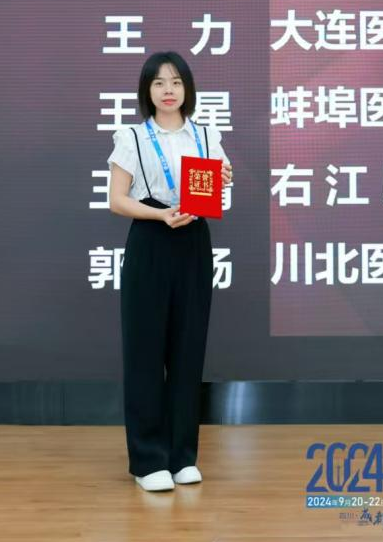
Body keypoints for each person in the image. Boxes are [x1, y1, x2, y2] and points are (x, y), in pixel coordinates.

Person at [107, 51, 233, 492]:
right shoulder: (133, 137)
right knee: (145, 350)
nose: (168, 90)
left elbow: (215, 184)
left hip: (193, 241)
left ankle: (182, 456)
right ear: (147, 90)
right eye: (159, 82)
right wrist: (160, 215)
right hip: (151, 238)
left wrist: (223, 178)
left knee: (187, 349)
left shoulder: (206, 135)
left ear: (187, 89)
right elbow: (117, 199)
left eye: (176, 82)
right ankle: (148, 461)